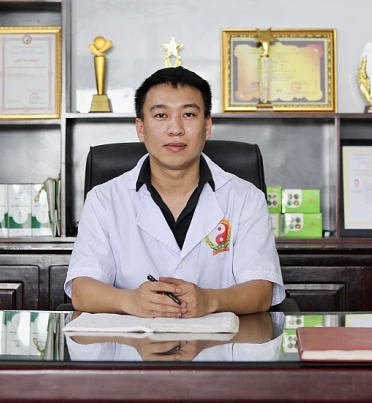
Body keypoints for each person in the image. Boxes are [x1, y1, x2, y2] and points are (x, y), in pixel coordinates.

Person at [65, 67, 285, 318]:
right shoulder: (104, 199)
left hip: (221, 341)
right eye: (161, 115)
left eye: (188, 114)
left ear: (207, 126)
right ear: (140, 128)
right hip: (132, 340)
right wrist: (130, 301)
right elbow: (82, 290)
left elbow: (261, 290)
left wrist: (210, 300)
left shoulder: (246, 198)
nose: (175, 129)